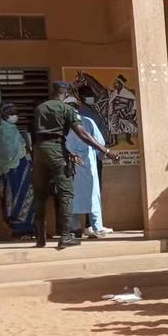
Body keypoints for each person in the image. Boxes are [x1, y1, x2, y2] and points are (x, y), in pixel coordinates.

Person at [31, 81, 111, 250]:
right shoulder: (65, 109)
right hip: (56, 151)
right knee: (66, 193)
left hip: (38, 152)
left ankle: (40, 238)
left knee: (40, 195)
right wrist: (106, 150)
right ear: (65, 93)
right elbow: (83, 134)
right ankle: (66, 236)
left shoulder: (40, 108)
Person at [65, 98, 107, 238]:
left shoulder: (62, 123)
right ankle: (96, 228)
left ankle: (75, 228)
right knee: (91, 196)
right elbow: (99, 142)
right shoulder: (88, 121)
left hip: (72, 165)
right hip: (86, 165)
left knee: (73, 196)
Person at [0, 103, 35, 239]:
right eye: (12, 113)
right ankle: (18, 228)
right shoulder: (4, 130)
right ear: (5, 115)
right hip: (13, 171)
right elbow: (8, 151)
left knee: (26, 197)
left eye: (15, 112)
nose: (15, 116)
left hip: (23, 168)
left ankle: (28, 228)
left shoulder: (13, 128)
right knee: (15, 198)